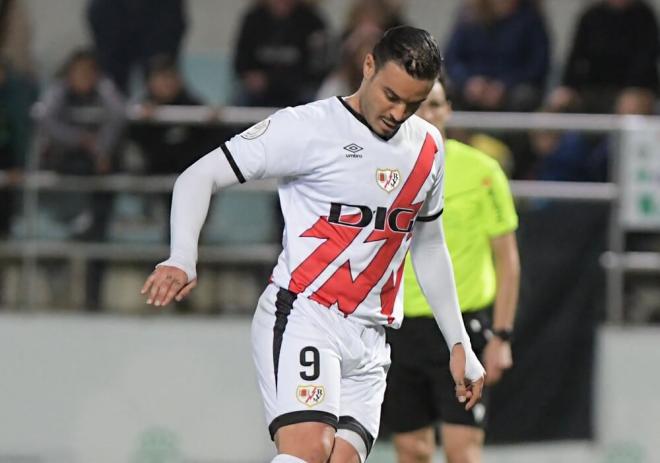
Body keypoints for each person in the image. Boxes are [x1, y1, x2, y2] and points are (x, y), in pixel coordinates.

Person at [141, 26, 486, 463]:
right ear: (367, 66)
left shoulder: (428, 148)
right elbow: (199, 175)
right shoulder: (307, 127)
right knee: (309, 450)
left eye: (413, 104)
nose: (399, 113)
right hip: (305, 312)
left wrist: (458, 342)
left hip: (372, 340)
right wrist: (182, 257)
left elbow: (429, 244)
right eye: (391, 96)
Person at [382, 79, 520, 463]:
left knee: (463, 450)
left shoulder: (482, 171)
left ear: (448, 110)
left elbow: (507, 260)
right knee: (412, 449)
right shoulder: (382, 168)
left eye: (436, 104)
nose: (428, 113)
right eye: (418, 105)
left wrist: (502, 336)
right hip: (398, 327)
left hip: (459, 327)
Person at [548, 0, 659, 114]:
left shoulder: (644, 16)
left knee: (631, 104)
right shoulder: (591, 16)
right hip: (592, 90)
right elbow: (575, 58)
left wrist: (633, 88)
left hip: (633, 90)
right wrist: (568, 87)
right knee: (554, 107)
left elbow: (646, 62)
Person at [444, 0, 550, 112]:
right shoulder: (469, 15)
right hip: (472, 88)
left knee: (524, 96)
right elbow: (452, 58)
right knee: (444, 93)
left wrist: (505, 85)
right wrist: (467, 81)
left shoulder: (531, 17)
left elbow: (537, 65)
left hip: (513, 90)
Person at [233, 0, 330, 106]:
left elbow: (317, 69)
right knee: (241, 97)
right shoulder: (253, 19)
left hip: (298, 88)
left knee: (314, 98)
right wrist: (251, 77)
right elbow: (241, 63)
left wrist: (272, 81)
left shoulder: (312, 21)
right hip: (259, 91)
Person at [87, 0, 187, 93]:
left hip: (159, 27)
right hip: (113, 30)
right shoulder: (104, 7)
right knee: (110, 83)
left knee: (162, 77)